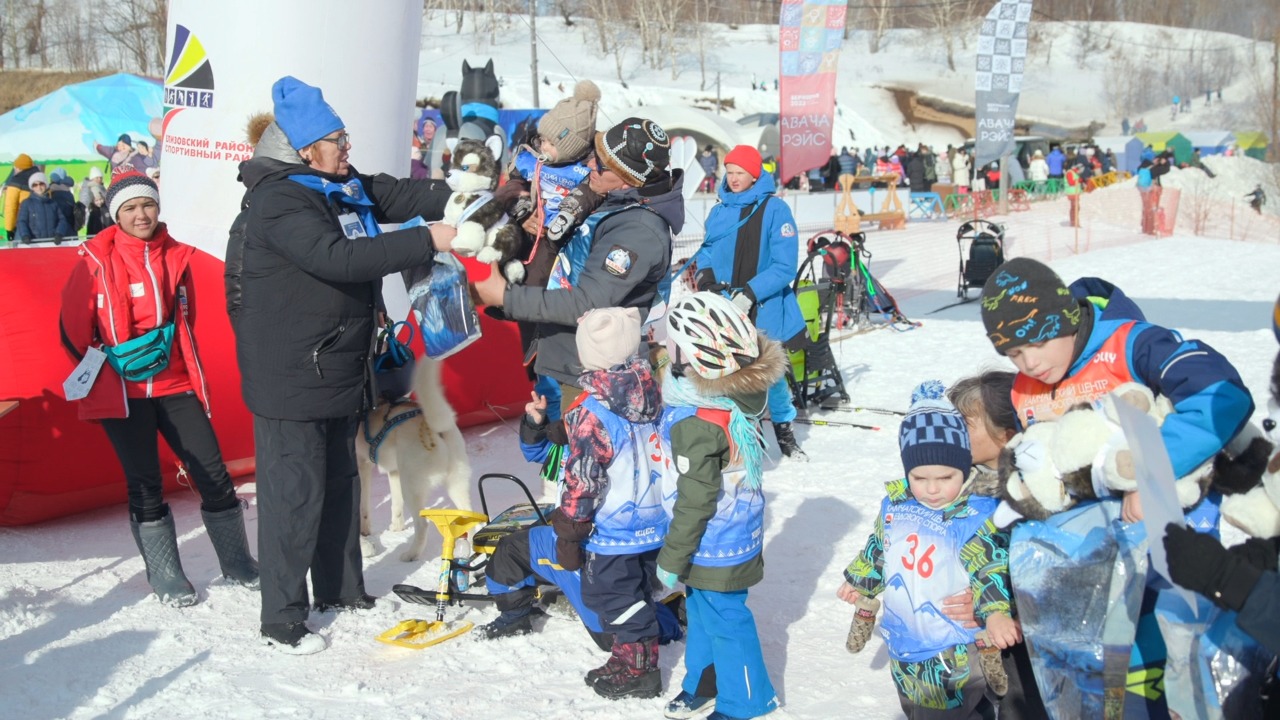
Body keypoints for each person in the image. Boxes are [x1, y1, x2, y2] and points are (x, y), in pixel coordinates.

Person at [234, 76, 458, 654]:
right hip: (292, 375)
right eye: (338, 138)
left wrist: (463, 198)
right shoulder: (282, 197)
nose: (347, 147)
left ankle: (339, 589)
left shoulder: (336, 182)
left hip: (336, 365)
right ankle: (281, 620)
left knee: (338, 481)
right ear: (307, 148)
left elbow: (395, 195)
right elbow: (337, 257)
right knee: (293, 494)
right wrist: (427, 240)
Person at [59, 172, 259, 608]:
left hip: (175, 384)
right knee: (146, 483)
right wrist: (111, 363)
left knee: (212, 472)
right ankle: (166, 573)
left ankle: (239, 562)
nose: (141, 215)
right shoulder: (92, 261)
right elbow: (72, 332)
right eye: (129, 208)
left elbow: (185, 320)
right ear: (116, 215)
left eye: (147, 205)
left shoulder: (176, 256)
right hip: (121, 391)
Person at [473, 117, 681, 411]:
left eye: (602, 165)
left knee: (581, 451)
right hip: (571, 360)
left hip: (594, 375)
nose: (591, 166)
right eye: (595, 156)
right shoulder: (612, 199)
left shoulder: (638, 231)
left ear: (629, 179)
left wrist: (505, 296)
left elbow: (586, 302)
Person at [840, 381, 1018, 718]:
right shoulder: (896, 505)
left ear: (964, 468)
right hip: (906, 640)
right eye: (919, 479)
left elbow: (988, 564)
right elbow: (880, 546)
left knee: (952, 709)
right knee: (914, 705)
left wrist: (994, 611)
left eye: (945, 477)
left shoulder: (975, 514)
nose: (933, 489)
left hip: (952, 649)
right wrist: (861, 581)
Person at [657, 292, 786, 720]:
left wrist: (672, 556)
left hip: (714, 542)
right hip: (724, 537)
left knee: (727, 620)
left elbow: (695, 500)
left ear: (693, 355)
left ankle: (747, 701)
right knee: (701, 609)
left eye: (670, 344)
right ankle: (705, 681)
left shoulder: (699, 421)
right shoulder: (731, 395)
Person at [546, 307, 668, 700]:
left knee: (611, 596)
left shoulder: (590, 411)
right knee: (638, 589)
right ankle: (630, 656)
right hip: (653, 517)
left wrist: (569, 530)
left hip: (611, 529)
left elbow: (583, 479)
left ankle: (639, 670)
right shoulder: (651, 391)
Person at [688, 145, 807, 462]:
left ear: (755, 174)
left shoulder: (776, 210)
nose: (733, 178)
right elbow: (706, 253)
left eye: (740, 172)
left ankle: (784, 430)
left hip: (763, 304)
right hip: (725, 306)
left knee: (771, 374)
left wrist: (750, 293)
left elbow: (784, 266)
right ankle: (740, 431)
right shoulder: (719, 210)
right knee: (727, 370)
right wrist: (707, 281)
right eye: (729, 171)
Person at [947, 372, 1050, 719]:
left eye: (967, 424)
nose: (957, 432)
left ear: (1007, 435)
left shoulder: (1033, 494)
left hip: (1019, 637)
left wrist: (990, 605)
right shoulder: (958, 481)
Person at [15, 172, 72, 243]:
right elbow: (21, 221)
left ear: (46, 185)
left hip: (51, 243)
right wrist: (25, 235)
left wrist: (59, 233)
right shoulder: (27, 203)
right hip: (34, 243)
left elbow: (62, 220)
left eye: (41, 184)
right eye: (35, 185)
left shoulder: (53, 203)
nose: (39, 187)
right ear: (32, 188)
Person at [3, 152, 38, 241]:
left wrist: (9, 229)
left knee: (21, 253)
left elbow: (11, 207)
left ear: (19, 167)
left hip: (22, 226)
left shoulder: (15, 182)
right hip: (41, 225)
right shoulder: (40, 180)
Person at [1064, 163, 1083, 227]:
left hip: (1075, 192)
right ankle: (1074, 222)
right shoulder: (1070, 173)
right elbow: (1071, 182)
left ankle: (1073, 222)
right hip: (1072, 192)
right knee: (1075, 207)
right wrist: (1079, 180)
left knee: (1075, 207)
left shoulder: (1074, 173)